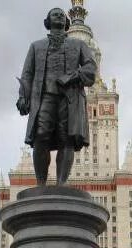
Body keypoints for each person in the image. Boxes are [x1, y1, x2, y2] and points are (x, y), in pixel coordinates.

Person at [16, 7, 97, 186]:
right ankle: (41, 185)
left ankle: (61, 184)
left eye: (62, 14)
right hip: (45, 97)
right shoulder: (36, 46)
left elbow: (91, 70)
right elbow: (27, 75)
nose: (59, 15)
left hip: (69, 98)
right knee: (40, 136)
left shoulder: (79, 45)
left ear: (66, 22)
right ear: (48, 21)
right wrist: (23, 97)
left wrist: (71, 77)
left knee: (66, 138)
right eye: (55, 14)